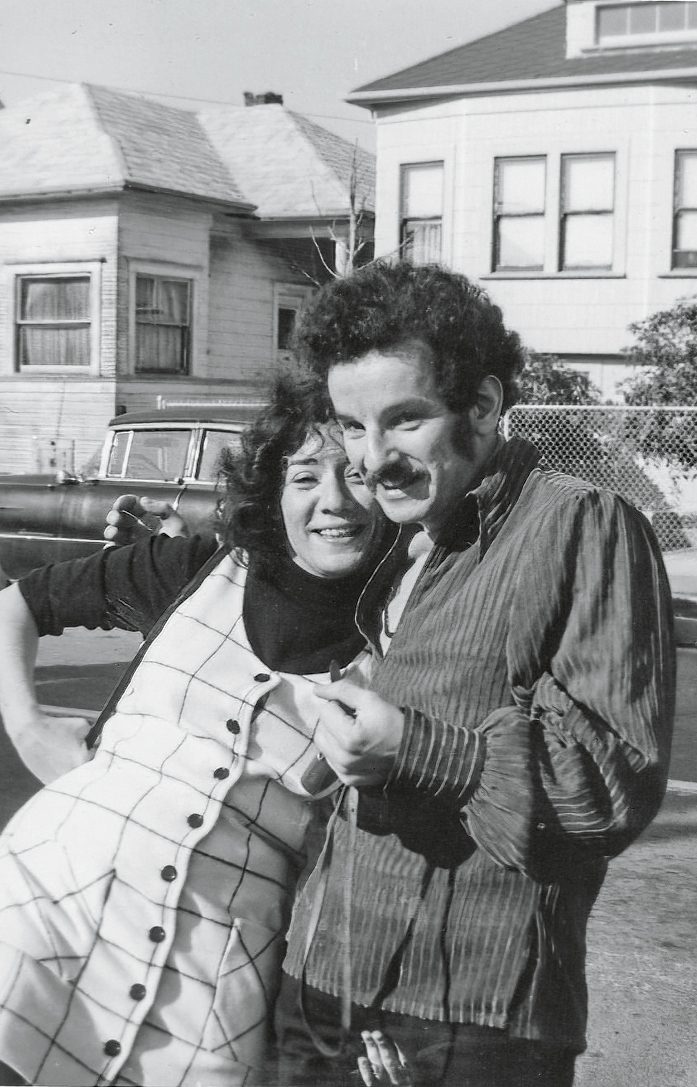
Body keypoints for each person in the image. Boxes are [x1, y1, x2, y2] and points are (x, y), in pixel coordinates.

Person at [270, 262, 676, 1086]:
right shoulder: (409, 537)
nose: (370, 458)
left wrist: (413, 746)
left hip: (464, 1022)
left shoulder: (579, 524)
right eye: (351, 425)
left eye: (403, 420)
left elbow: (604, 788)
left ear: (483, 406)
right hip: (321, 984)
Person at [0, 372, 393, 1087]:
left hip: (207, 996)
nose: (333, 499)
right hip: (42, 916)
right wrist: (27, 726)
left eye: (359, 475)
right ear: (272, 493)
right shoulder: (194, 569)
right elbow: (17, 603)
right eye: (305, 474)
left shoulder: (405, 638)